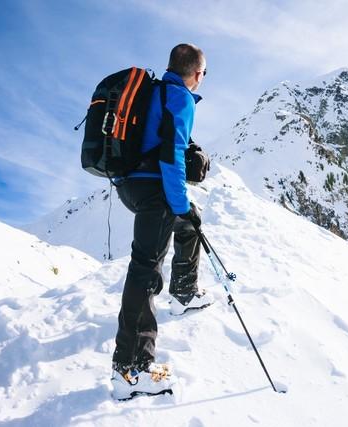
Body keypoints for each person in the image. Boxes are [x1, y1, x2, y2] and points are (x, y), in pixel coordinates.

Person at [110, 43, 213, 399]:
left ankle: (184, 292)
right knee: (146, 272)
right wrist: (179, 202)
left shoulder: (154, 91)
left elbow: (162, 140)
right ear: (197, 73)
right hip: (154, 192)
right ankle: (131, 371)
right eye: (203, 74)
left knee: (190, 222)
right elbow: (171, 157)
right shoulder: (180, 98)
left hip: (130, 186)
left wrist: (185, 209)